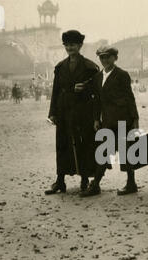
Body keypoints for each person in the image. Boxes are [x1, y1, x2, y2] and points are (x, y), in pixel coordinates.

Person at [45, 30, 99, 195]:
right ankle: (60, 181)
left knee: (83, 145)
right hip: (63, 112)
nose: (70, 48)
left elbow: (97, 92)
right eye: (67, 45)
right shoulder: (60, 67)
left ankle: (84, 179)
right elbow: (55, 91)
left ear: (80, 45)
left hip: (83, 113)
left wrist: (85, 90)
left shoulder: (90, 67)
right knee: (62, 145)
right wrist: (52, 113)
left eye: (73, 45)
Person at [81, 46, 140, 197]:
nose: (105, 60)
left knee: (127, 152)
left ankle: (131, 183)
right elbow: (97, 101)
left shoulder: (122, 75)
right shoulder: (98, 77)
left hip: (123, 119)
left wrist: (135, 118)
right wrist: (95, 118)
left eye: (108, 57)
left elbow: (129, 97)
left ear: (115, 58)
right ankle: (96, 185)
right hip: (107, 120)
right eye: (102, 57)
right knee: (103, 152)